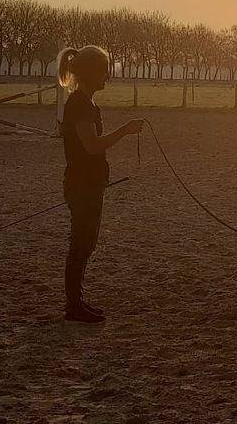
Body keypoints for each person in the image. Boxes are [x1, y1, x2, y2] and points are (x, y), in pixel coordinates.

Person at [57, 45, 143, 323]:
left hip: (89, 182)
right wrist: (125, 130)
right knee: (81, 243)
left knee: (86, 243)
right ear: (91, 74)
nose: (107, 77)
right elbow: (92, 146)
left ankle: (77, 301)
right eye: (103, 72)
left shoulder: (87, 103)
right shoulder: (80, 105)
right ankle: (73, 305)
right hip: (82, 184)